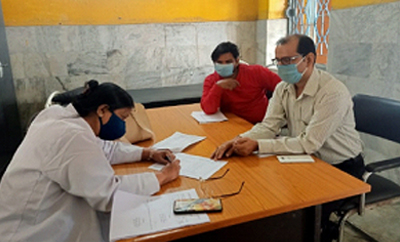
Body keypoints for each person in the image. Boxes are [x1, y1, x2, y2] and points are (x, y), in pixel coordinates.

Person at [211, 35, 364, 242]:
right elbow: (268, 125)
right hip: (304, 161)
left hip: (340, 168)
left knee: (298, 215)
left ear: (308, 60)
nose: (281, 67)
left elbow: (309, 142)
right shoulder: (284, 88)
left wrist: (258, 145)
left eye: (287, 61)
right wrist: (238, 139)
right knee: (265, 195)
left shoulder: (332, 92)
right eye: (278, 61)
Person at [0, 80, 180, 242]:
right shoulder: (72, 136)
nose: (123, 125)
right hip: (29, 233)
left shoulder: (59, 117)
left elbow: (105, 149)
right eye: (123, 117)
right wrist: (162, 176)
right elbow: (109, 195)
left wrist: (148, 154)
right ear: (102, 110)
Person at [201, 42, 281, 124]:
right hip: (232, 124)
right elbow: (208, 109)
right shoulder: (211, 80)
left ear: (237, 61)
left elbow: (284, 88)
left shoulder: (256, 72)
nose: (224, 65)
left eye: (228, 62)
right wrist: (218, 87)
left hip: (260, 124)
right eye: (220, 62)